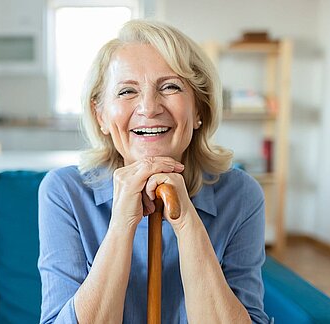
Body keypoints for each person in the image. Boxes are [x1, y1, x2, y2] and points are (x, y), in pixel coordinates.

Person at [38, 19, 270, 324]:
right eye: (126, 92)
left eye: (170, 86)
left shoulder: (241, 194)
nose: (149, 107)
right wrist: (122, 223)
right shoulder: (64, 190)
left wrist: (187, 222)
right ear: (101, 116)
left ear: (199, 110)